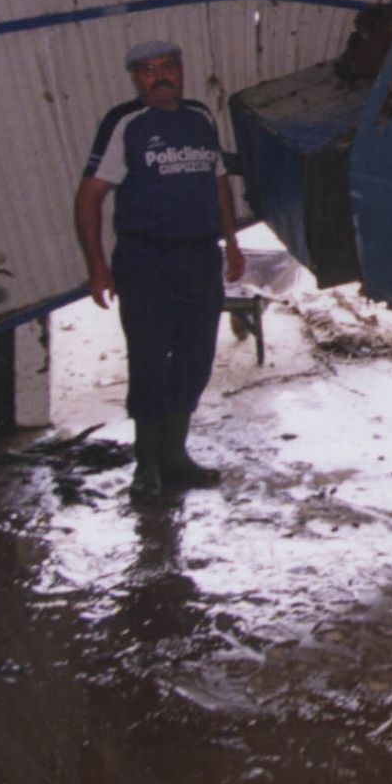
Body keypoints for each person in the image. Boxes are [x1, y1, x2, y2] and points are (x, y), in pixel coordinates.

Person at [74, 40, 245, 503]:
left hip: (199, 257)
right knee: (150, 360)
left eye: (167, 67)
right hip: (146, 259)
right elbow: (89, 197)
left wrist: (230, 240)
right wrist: (97, 268)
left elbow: (218, 181)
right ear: (135, 79)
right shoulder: (125, 123)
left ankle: (175, 456)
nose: (159, 76)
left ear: (181, 70)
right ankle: (146, 464)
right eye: (147, 71)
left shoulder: (200, 117)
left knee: (195, 359)